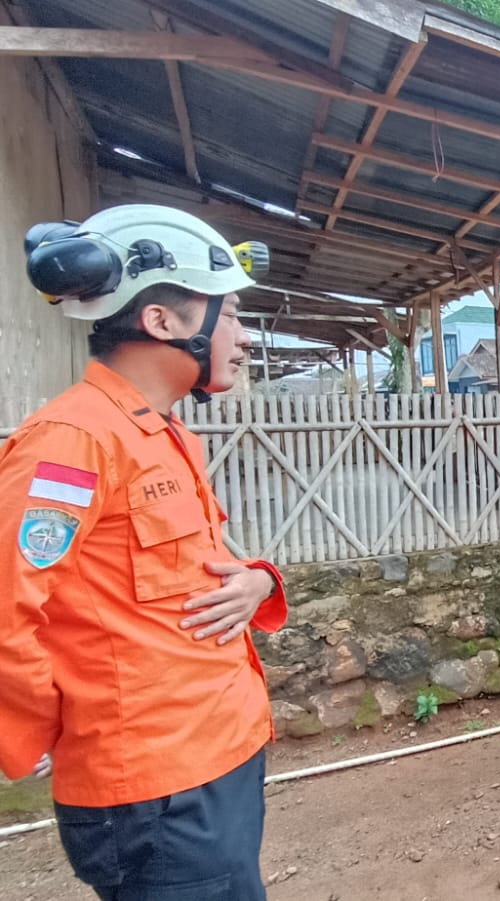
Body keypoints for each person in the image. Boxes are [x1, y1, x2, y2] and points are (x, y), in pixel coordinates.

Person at [0, 204, 288, 900]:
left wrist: (254, 582)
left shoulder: (165, 434)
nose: (244, 337)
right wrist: (51, 726)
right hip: (155, 789)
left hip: (217, 753)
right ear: (164, 322)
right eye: (229, 316)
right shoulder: (73, 440)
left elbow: (167, 572)